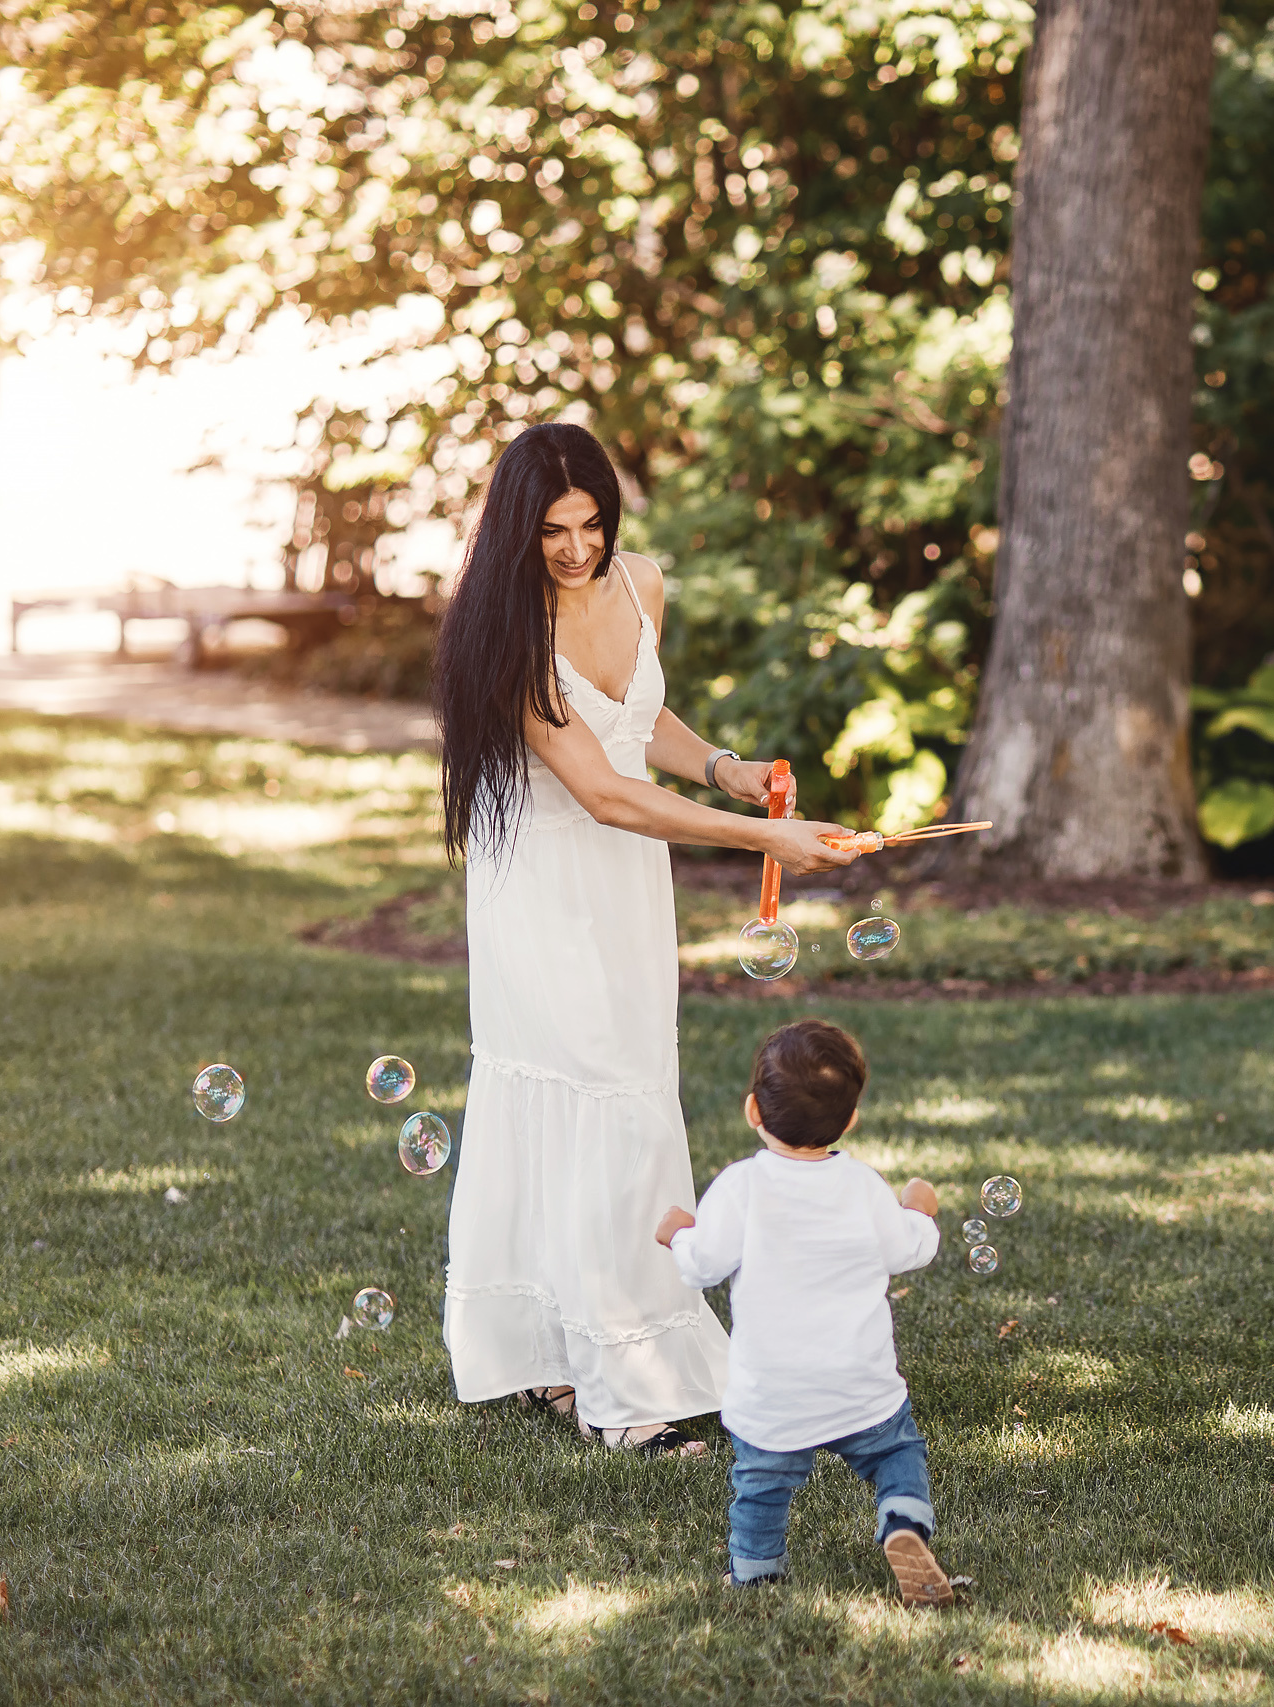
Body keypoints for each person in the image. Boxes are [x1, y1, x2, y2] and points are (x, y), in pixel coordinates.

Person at [432, 421, 864, 1454]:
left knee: (623, 1090)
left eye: (592, 524)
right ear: (513, 534)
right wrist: (762, 835)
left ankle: (555, 1357)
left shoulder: (642, 584)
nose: (578, 549)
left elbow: (638, 723)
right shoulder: (505, 630)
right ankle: (618, 1387)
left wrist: (725, 769)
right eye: (551, 532)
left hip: (625, 885)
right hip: (544, 878)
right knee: (589, 1099)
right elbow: (602, 791)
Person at [654, 1019, 956, 1605]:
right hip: (859, 1382)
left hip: (774, 1390)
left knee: (762, 1484)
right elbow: (908, 1249)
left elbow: (702, 1267)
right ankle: (901, 1523)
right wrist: (919, 1211)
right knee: (897, 1452)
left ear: (752, 1111)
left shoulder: (740, 1187)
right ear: (849, 1121)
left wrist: (678, 1236)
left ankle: (756, 1571)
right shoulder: (865, 1187)